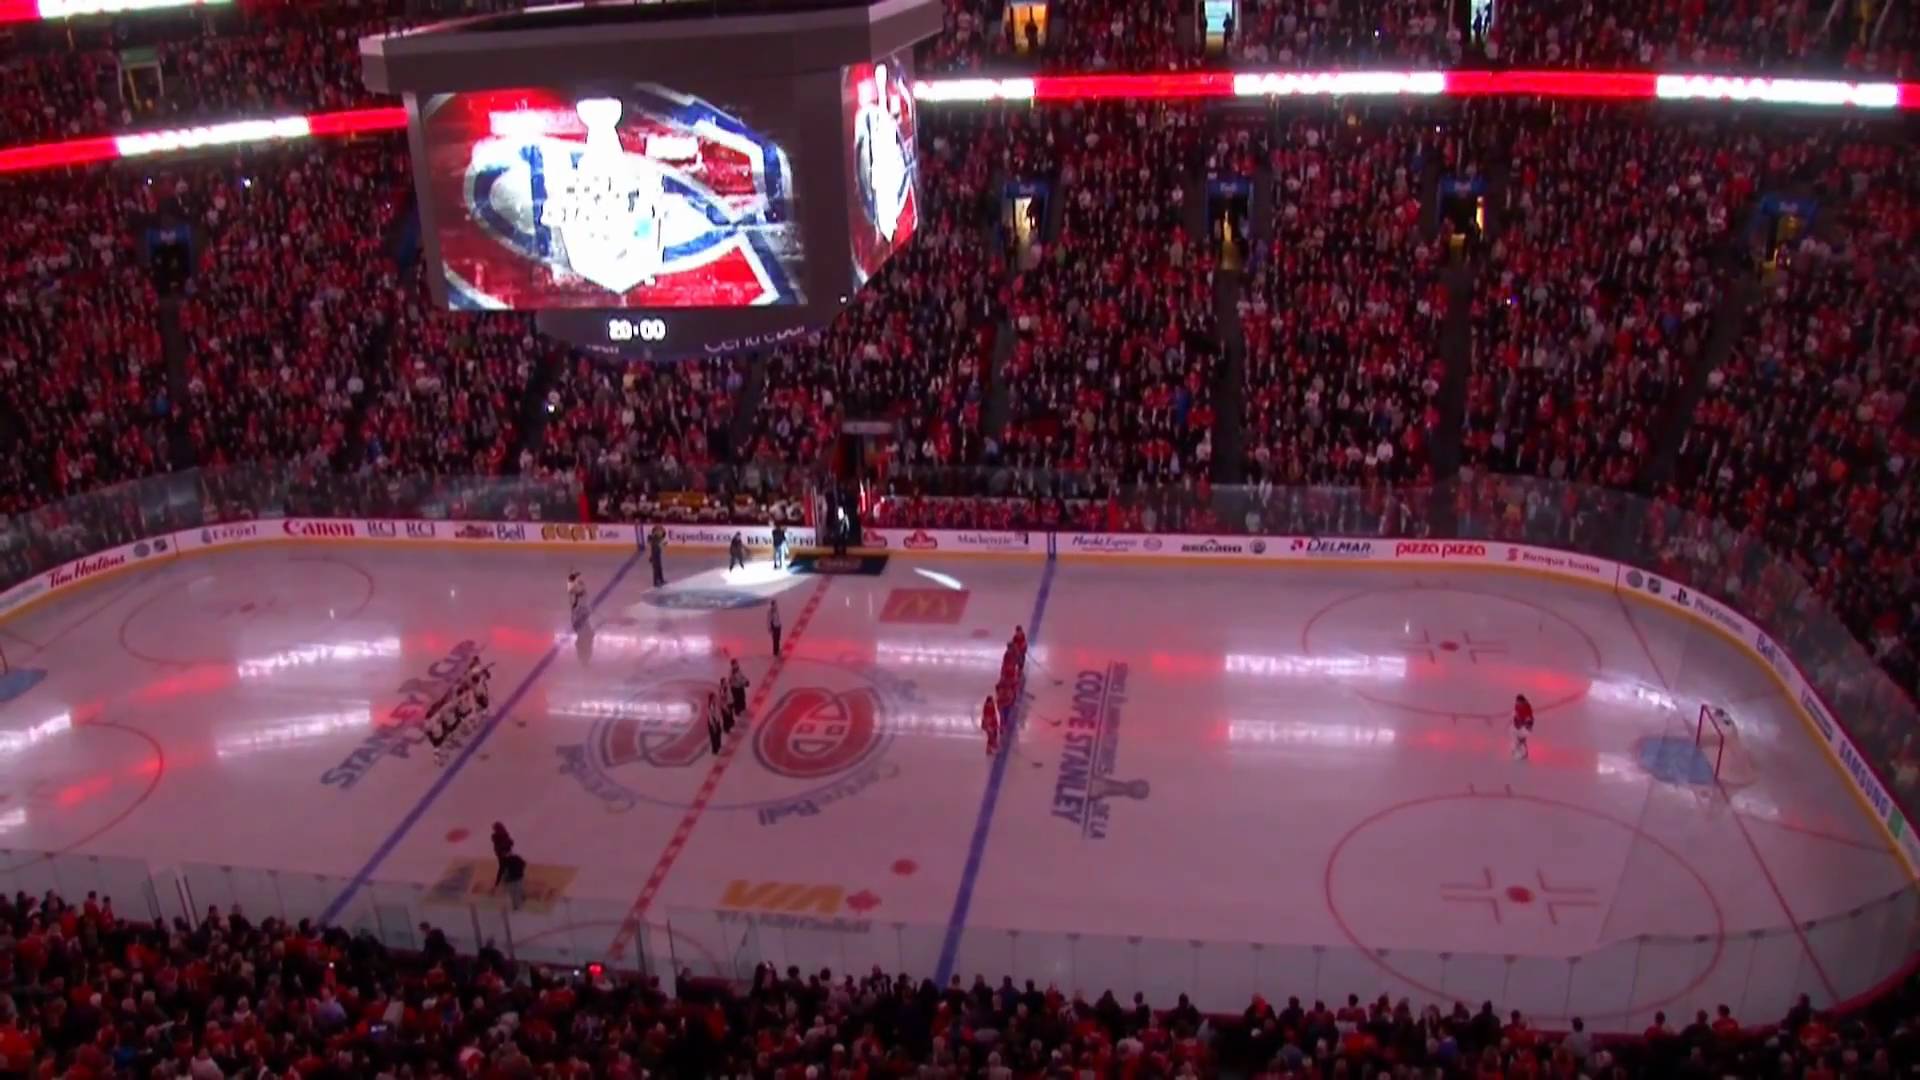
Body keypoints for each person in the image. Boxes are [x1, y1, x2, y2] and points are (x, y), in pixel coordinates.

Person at [1512, 694, 1535, 761]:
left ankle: (1523, 753)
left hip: (1526, 724)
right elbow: (1516, 715)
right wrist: (1516, 721)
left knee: (1522, 739)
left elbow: (1529, 716)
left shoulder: (1526, 706)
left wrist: (1528, 724)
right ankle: (1520, 752)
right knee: (1519, 738)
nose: (1518, 703)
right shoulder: (1517, 706)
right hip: (1520, 724)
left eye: (1519, 701)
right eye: (1517, 701)